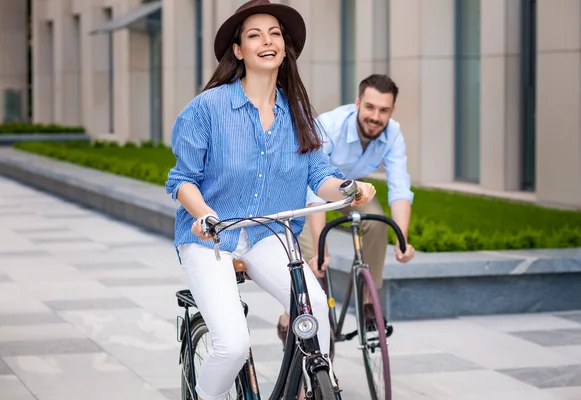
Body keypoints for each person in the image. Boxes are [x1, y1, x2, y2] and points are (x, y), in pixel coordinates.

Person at [164, 1, 376, 399]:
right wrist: (206, 214)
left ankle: (310, 389)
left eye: (275, 33)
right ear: (239, 50)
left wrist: (349, 190)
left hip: (268, 236)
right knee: (231, 345)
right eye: (255, 34)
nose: (267, 41)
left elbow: (320, 175)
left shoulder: (297, 112)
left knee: (316, 311)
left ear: (285, 48)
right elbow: (181, 180)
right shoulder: (207, 109)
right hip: (211, 237)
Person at [276, 74, 416, 344]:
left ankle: (368, 304)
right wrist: (320, 246)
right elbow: (312, 191)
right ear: (357, 104)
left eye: (384, 110)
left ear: (392, 111)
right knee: (314, 262)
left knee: (376, 222)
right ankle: (288, 319)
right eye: (370, 107)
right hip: (306, 184)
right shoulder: (329, 127)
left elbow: (400, 187)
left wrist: (402, 238)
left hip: (348, 189)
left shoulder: (393, 133)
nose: (375, 116)